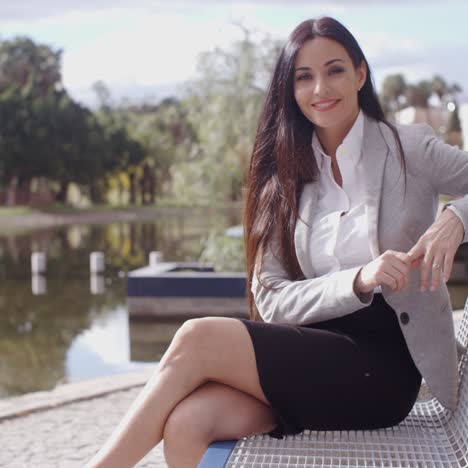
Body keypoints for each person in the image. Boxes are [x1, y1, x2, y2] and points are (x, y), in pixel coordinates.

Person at [85, 16, 468, 468]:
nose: (320, 88)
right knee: (188, 423)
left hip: (382, 367)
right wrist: (358, 278)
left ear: (361, 74)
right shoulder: (284, 177)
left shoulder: (408, 147)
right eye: (304, 77)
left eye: (335, 70)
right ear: (290, 90)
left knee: (197, 336)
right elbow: (271, 300)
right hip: (307, 353)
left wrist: (455, 217)